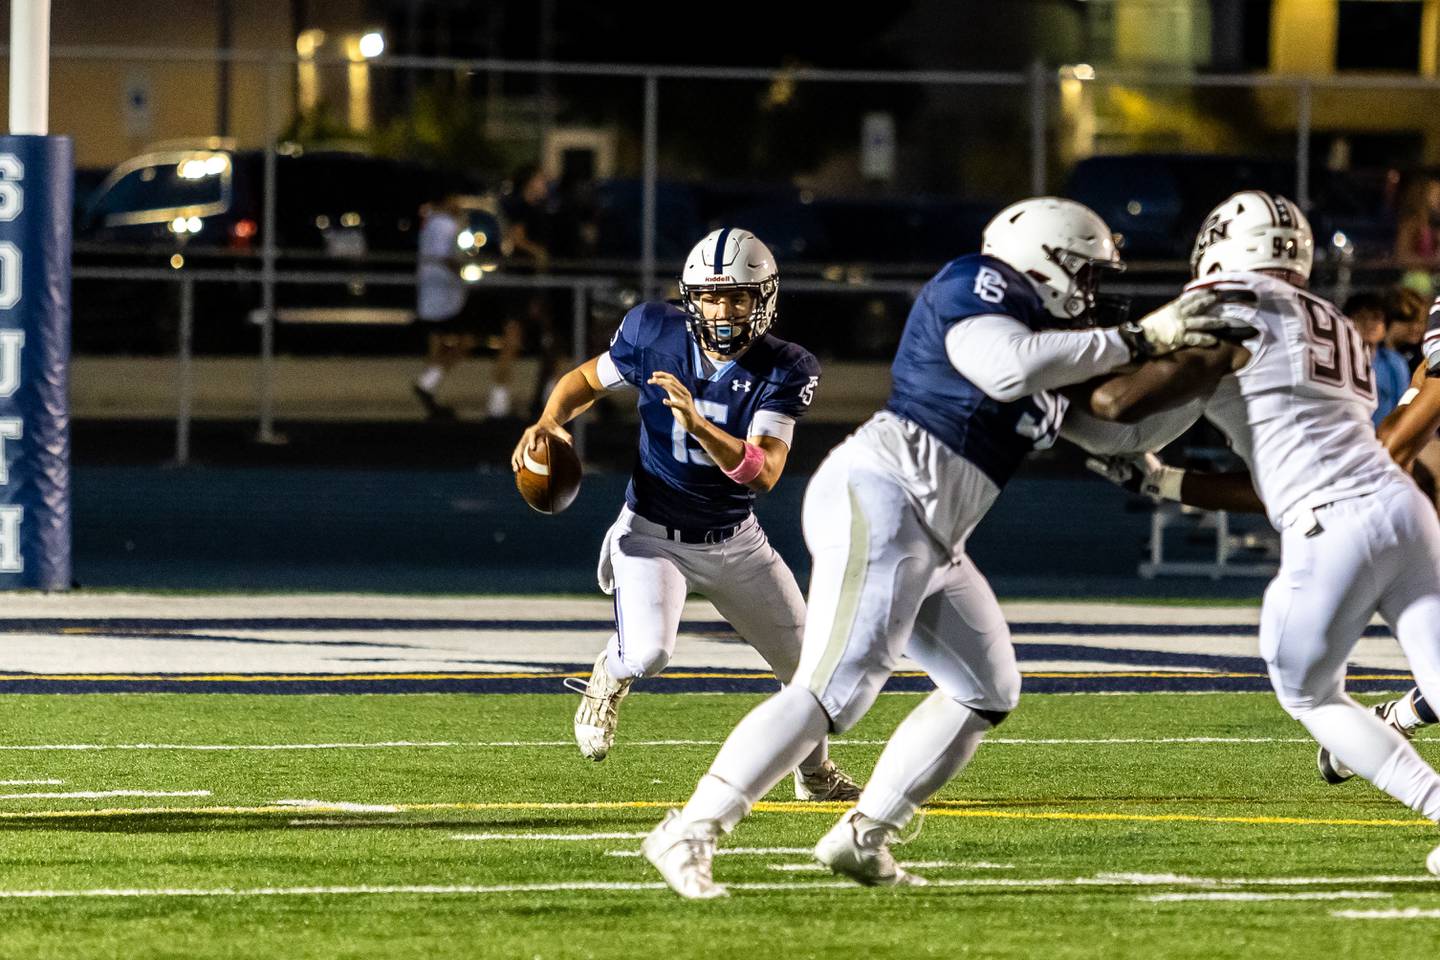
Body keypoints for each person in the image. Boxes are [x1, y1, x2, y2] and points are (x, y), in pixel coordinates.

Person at [639, 198, 1215, 899]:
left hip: (933, 530)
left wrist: (1212, 372)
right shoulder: (974, 283)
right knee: (832, 693)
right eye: (1086, 273)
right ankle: (691, 828)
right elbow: (1006, 369)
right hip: (885, 496)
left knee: (987, 688)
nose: (1091, 291)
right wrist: (1140, 338)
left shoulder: (1046, 338)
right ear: (1050, 259)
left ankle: (864, 836)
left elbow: (1118, 435)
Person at [1080, 190, 1440, 877]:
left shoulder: (1233, 308)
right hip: (1401, 509)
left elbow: (1117, 403)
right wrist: (1160, 482)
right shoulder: (1330, 318)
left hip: (1335, 525)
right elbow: (1281, 479)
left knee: (1309, 694)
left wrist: (1115, 351)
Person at [510, 227, 860, 803]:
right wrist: (550, 421)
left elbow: (765, 472)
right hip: (652, 533)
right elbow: (585, 380)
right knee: (650, 652)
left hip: (736, 539)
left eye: (739, 297)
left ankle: (814, 775)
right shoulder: (655, 331)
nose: (724, 310)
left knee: (809, 668)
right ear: (690, 298)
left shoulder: (785, 367)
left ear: (764, 299)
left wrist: (701, 426)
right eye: (712, 297)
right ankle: (611, 671)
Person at [412, 195, 523, 420]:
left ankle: (428, 383)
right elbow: (448, 258)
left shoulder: (431, 223)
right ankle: (428, 384)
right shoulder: (445, 225)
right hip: (446, 293)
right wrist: (464, 275)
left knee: (448, 340)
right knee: (464, 340)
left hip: (437, 292)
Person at [1345, 292, 1406, 427]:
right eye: (1361, 317)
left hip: (1384, 438)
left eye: (1377, 318)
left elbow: (1403, 406)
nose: (1370, 324)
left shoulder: (1394, 362)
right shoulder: (1339, 359)